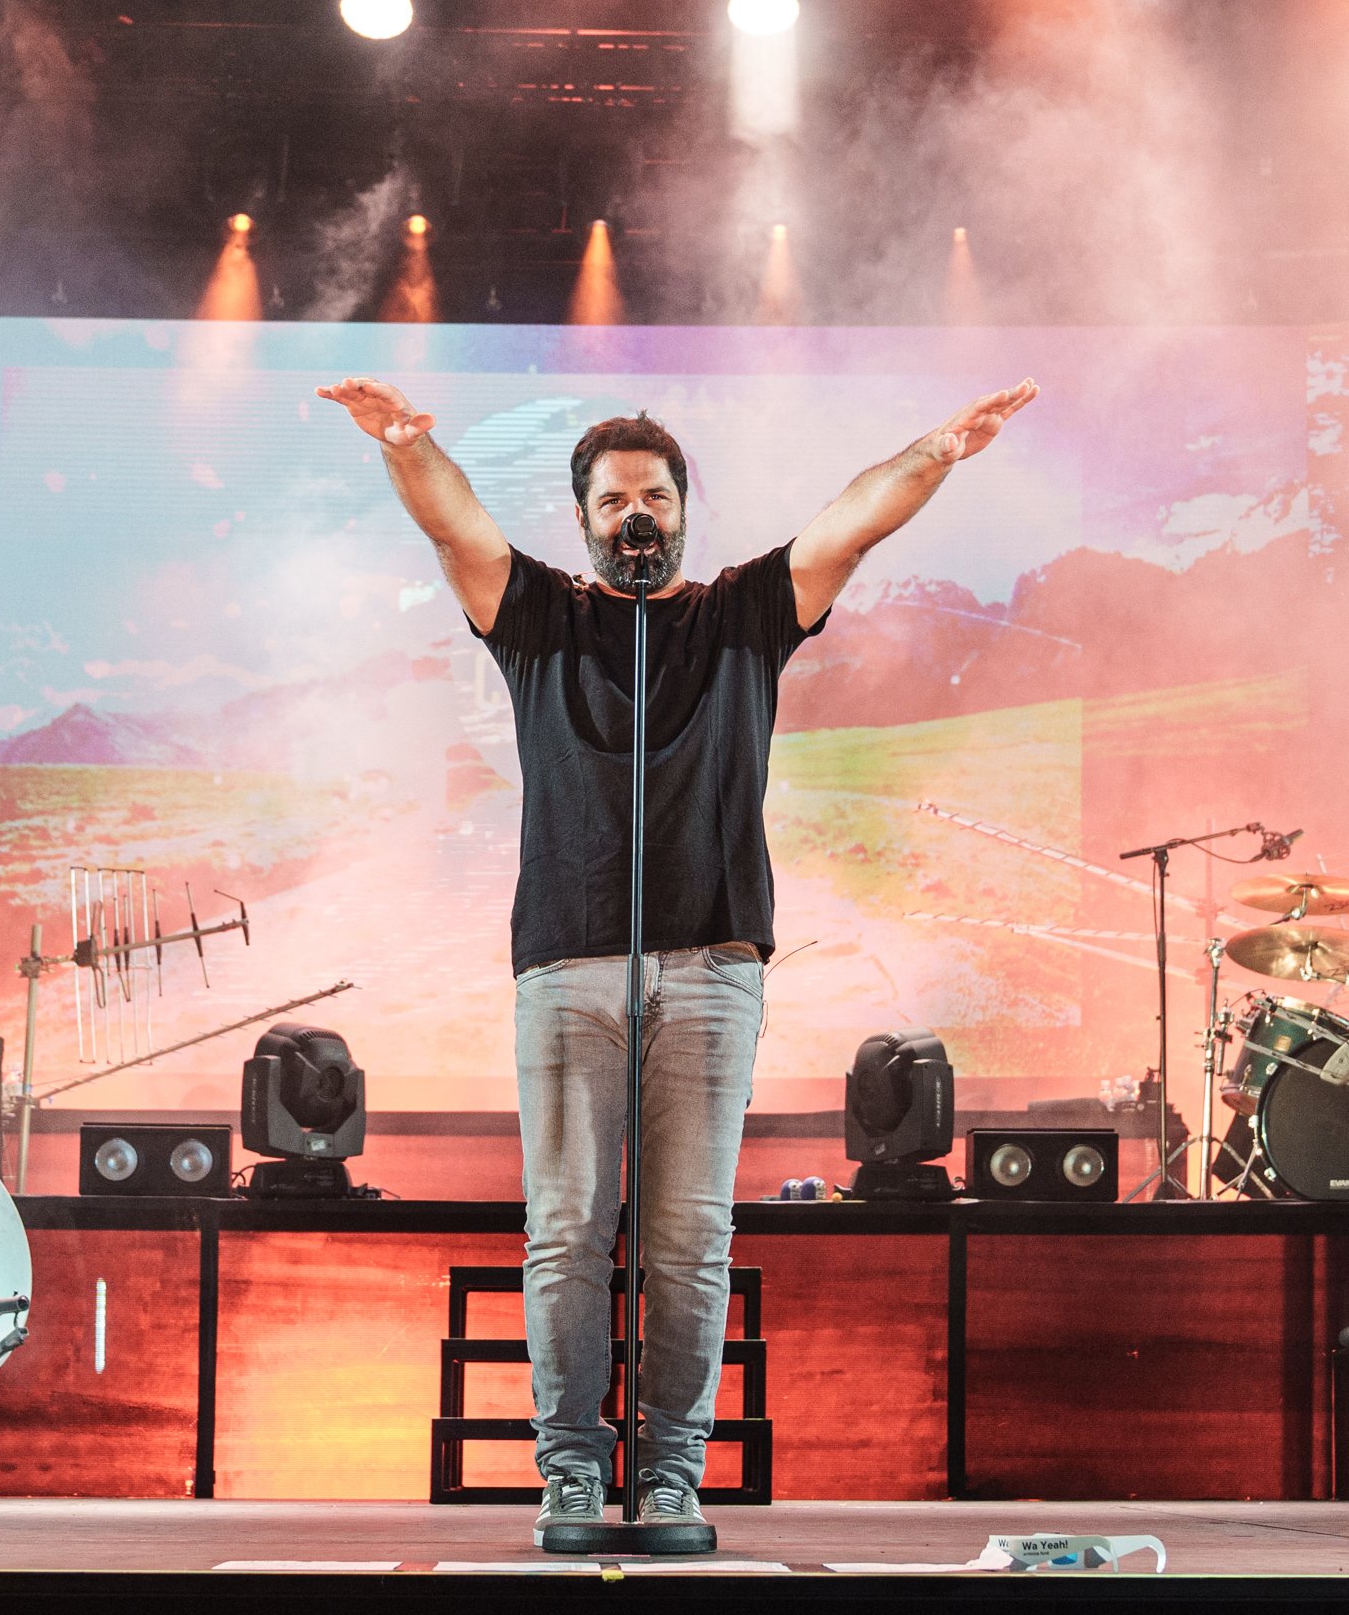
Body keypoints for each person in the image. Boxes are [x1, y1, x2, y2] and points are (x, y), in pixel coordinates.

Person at [317, 372, 1038, 1545]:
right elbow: (453, 519)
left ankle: (668, 1477)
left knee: (691, 1234)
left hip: (711, 962)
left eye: (653, 494)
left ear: (685, 508)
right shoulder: (539, 613)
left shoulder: (743, 612)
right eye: (612, 500)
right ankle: (567, 1472)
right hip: (567, 965)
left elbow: (853, 518)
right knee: (565, 1229)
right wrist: (408, 446)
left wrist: (939, 450)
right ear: (586, 517)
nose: (634, 514)